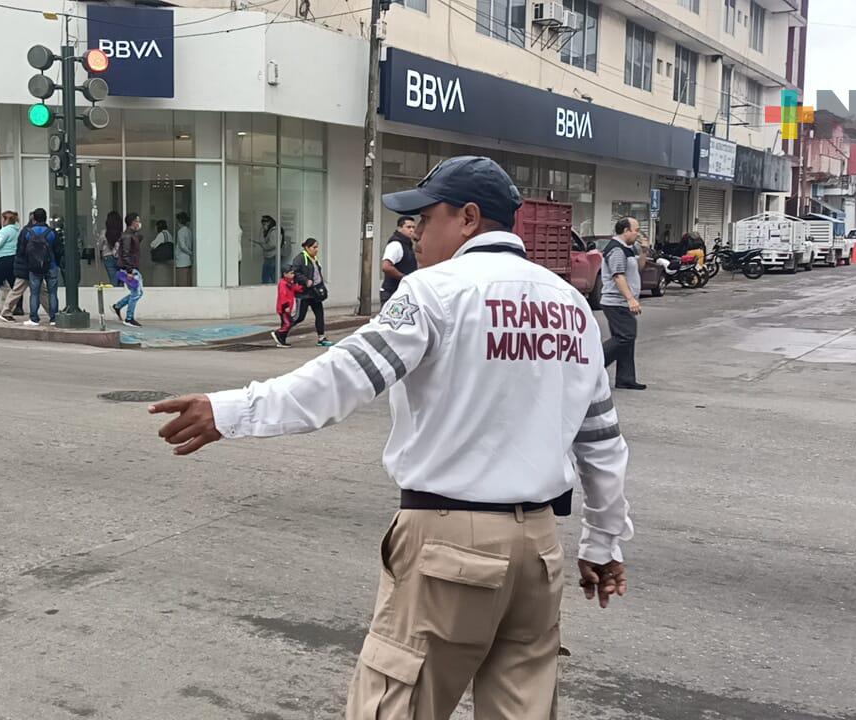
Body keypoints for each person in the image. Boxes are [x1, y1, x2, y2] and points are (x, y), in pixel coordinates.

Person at [151, 155, 632, 720]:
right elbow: (601, 441)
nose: (414, 233)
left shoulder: (434, 292)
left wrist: (229, 410)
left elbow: (341, 379)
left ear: (469, 218)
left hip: (450, 550)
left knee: (393, 705)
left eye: (424, 219)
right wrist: (603, 545)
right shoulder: (570, 306)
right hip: (540, 554)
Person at [601, 217, 645, 390]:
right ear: (626, 231)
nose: (637, 233)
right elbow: (618, 275)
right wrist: (630, 298)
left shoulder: (627, 249)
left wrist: (644, 251)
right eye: (636, 230)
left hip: (621, 301)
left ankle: (626, 378)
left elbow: (638, 268)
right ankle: (593, 366)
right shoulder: (617, 250)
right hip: (616, 301)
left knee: (627, 339)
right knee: (625, 336)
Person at [21, 208, 63, 327]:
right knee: (53, 293)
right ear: (45, 218)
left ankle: (34, 318)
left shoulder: (28, 232)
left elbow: (21, 250)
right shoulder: (52, 232)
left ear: (34, 219)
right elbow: (59, 250)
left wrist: (28, 263)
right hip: (51, 266)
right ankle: (54, 318)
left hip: (34, 268)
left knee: (34, 293)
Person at [290, 238, 332, 347]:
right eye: (314, 247)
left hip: (314, 293)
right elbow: (294, 273)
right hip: (304, 294)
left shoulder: (314, 258)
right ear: (307, 248)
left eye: (317, 247)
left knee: (319, 314)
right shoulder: (300, 259)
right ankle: (281, 332)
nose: (316, 249)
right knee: (299, 317)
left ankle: (321, 337)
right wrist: (305, 280)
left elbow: (317, 274)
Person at [111, 213, 144, 327]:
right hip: (130, 269)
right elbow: (126, 254)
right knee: (136, 293)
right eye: (137, 221)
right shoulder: (127, 237)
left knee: (138, 293)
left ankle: (118, 306)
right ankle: (129, 318)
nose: (139, 223)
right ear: (133, 222)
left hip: (132, 267)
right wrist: (129, 271)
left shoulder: (131, 235)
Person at [380, 215, 418, 304]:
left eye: (413, 227)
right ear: (399, 228)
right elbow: (386, 267)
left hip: (402, 291)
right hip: (392, 292)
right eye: (408, 227)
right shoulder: (396, 244)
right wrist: (405, 278)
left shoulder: (408, 244)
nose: (411, 230)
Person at [270, 267, 302, 348]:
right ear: (285, 274)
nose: (293, 275)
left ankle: (282, 340)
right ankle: (278, 333)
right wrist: (285, 306)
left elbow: (295, 288)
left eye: (293, 273)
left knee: (285, 323)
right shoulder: (283, 284)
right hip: (283, 308)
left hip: (287, 309)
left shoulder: (290, 283)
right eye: (291, 273)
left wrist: (302, 288)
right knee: (288, 323)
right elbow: (282, 295)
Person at [149, 219, 174, 286]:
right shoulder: (169, 234)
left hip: (161, 262)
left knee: (160, 280)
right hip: (168, 261)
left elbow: (153, 245)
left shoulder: (162, 234)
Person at [101, 210, 123, 285]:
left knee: (113, 279)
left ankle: (114, 294)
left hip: (107, 257)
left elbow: (100, 245)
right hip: (120, 257)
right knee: (122, 280)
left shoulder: (104, 233)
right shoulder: (122, 233)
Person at [174, 211, 194, 287]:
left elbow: (182, 246)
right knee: (187, 284)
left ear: (179, 221)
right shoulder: (189, 231)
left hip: (181, 262)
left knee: (182, 285)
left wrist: (190, 253)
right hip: (188, 261)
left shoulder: (181, 231)